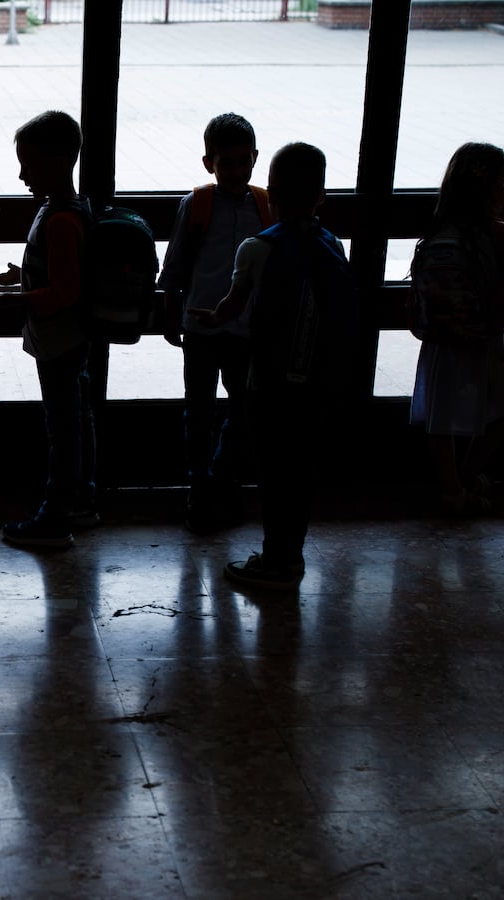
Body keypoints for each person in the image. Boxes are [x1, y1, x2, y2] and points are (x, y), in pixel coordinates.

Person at [196, 143, 357, 590]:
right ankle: (293, 554)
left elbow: (232, 305)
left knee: (273, 473)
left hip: (268, 381)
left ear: (272, 195)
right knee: (300, 473)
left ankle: (275, 559)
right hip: (316, 384)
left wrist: (208, 319)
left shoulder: (256, 248)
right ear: (320, 196)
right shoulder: (331, 245)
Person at [0, 110, 95, 549]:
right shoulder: (63, 208)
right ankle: (81, 502)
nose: (22, 173)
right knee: (76, 422)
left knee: (62, 430)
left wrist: (13, 300)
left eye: (29, 163)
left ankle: (55, 517)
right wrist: (19, 276)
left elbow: (63, 292)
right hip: (69, 340)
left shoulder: (61, 220)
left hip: (59, 342)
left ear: (60, 161)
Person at [156, 112, 274, 532]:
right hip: (203, 328)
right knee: (200, 410)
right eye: (228, 163)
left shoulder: (263, 205)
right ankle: (202, 485)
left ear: (255, 158)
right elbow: (175, 266)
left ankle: (218, 478)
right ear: (210, 163)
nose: (237, 171)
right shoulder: (198, 205)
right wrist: (173, 315)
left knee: (241, 408)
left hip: (244, 330)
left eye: (244, 162)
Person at [409, 142, 504, 514]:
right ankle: (466, 476)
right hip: (482, 339)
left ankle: (451, 488)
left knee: (439, 414)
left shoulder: (437, 227)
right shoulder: (500, 232)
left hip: (441, 340)